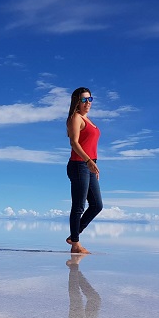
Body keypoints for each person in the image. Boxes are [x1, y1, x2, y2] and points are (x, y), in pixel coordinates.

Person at [66, 87, 103, 254]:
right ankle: (75, 245)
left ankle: (74, 236)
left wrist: (93, 163)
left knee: (97, 205)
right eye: (83, 100)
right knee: (79, 206)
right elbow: (74, 142)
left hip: (89, 164)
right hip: (79, 164)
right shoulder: (76, 118)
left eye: (90, 99)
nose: (88, 102)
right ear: (77, 101)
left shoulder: (89, 120)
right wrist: (88, 161)